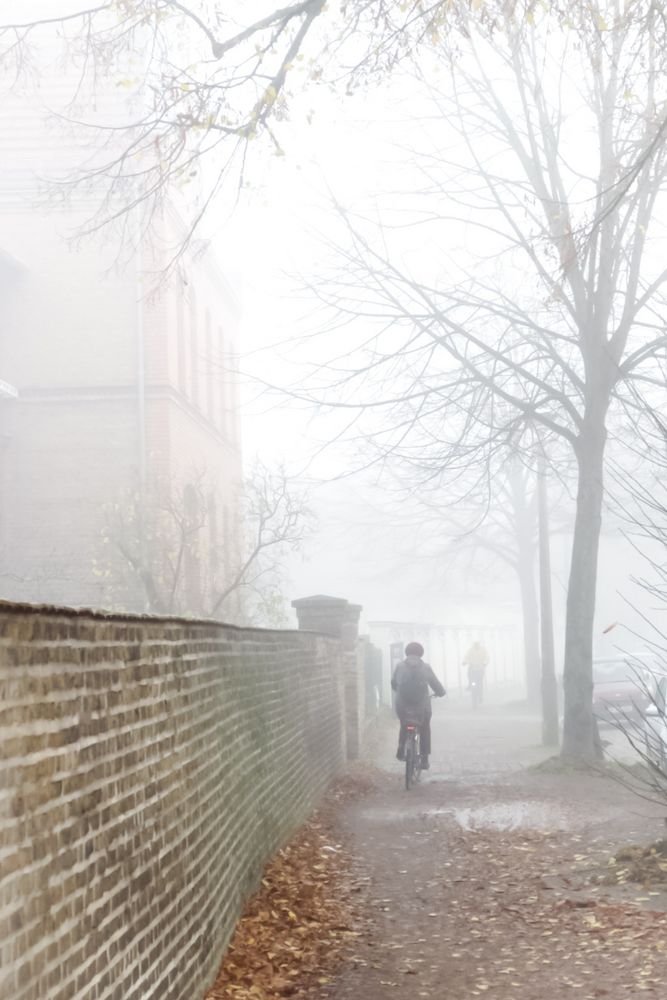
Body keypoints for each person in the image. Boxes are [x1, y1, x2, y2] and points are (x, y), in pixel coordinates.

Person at [391, 642, 445, 770]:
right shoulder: (426, 667)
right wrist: (440, 692)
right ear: (421, 653)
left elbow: (393, 683)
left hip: (402, 705)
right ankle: (424, 759)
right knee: (424, 727)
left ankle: (400, 748)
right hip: (422, 706)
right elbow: (436, 685)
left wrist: (399, 690)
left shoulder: (399, 666)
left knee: (404, 723)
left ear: (406, 653)